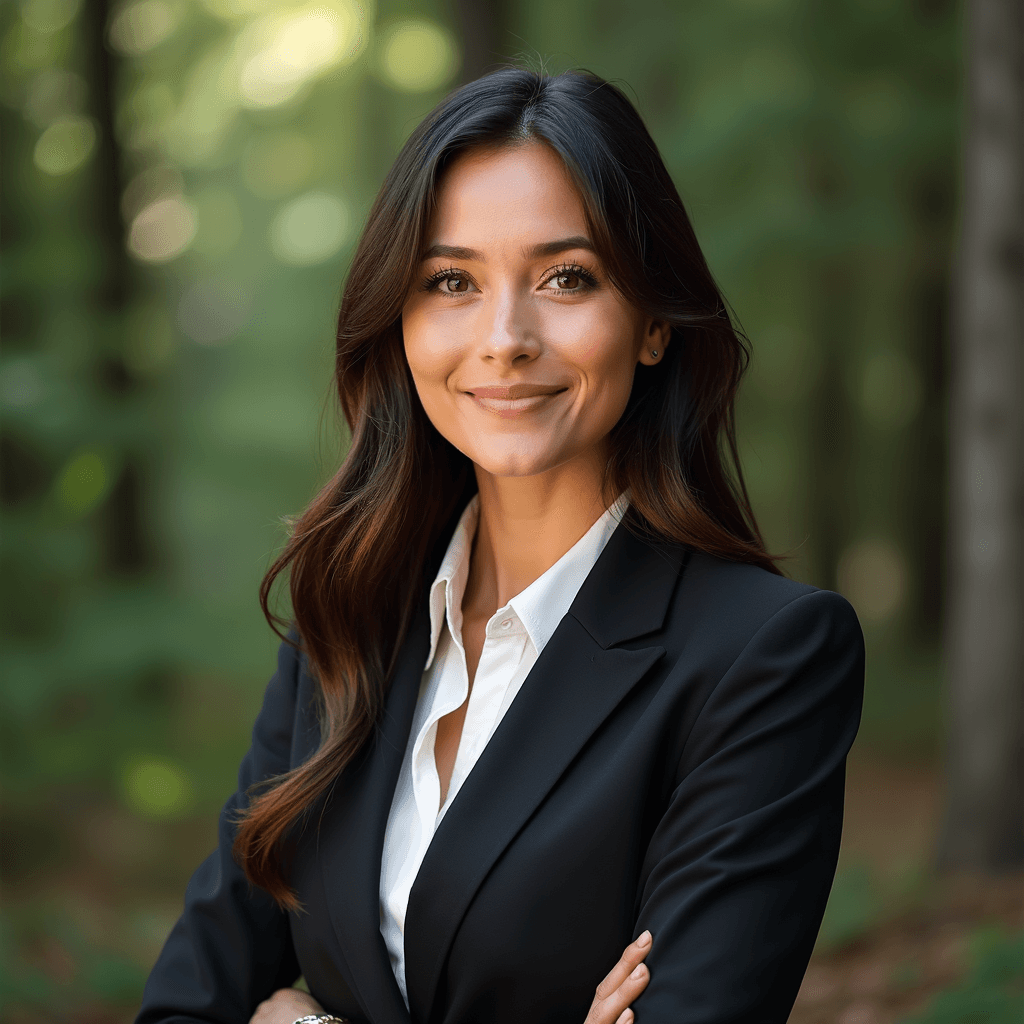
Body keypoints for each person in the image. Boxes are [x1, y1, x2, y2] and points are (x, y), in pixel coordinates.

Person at [135, 67, 864, 1024]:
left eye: (567, 277)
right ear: (401, 323)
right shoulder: (343, 625)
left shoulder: (766, 660)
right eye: (452, 281)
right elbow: (186, 1006)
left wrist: (301, 1023)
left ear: (650, 322)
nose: (506, 336)